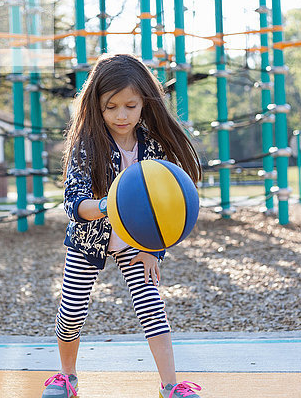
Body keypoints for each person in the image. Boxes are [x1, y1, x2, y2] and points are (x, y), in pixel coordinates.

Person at [41, 53, 203, 398]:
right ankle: (67, 376)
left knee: (152, 309)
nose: (121, 115)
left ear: (144, 102)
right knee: (70, 312)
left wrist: (154, 249)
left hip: (137, 242)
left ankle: (171, 385)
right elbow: (73, 202)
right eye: (111, 106)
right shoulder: (87, 144)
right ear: (97, 106)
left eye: (130, 105)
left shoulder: (153, 146)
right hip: (88, 241)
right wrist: (106, 205)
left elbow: (164, 203)